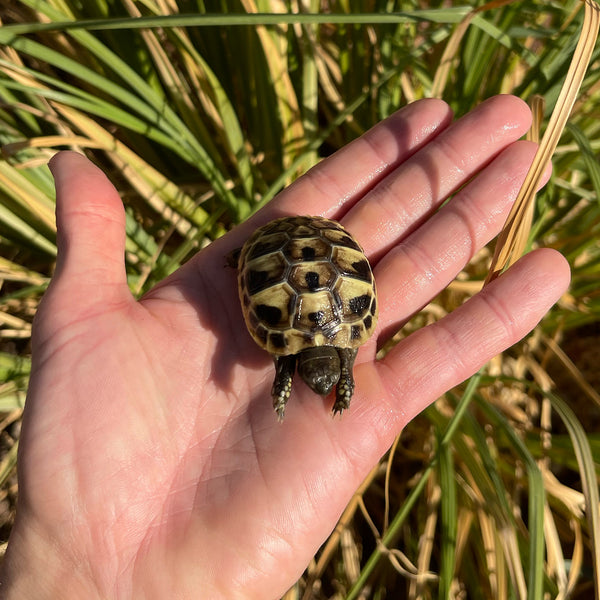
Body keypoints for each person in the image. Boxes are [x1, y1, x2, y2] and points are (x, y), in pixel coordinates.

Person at [0, 95, 569, 599]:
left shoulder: (325, 350)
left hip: (296, 264)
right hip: (287, 256)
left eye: (312, 379)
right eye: (312, 378)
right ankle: (246, 254)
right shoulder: (307, 354)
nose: (310, 384)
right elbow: (287, 370)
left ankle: (248, 255)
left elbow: (307, 366)